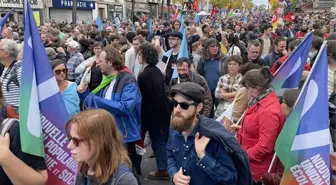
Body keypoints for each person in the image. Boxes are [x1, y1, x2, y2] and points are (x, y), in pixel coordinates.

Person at [77, 47, 142, 175]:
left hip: (124, 136)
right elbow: (94, 105)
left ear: (110, 62)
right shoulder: (107, 80)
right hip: (110, 134)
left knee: (125, 173)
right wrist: (83, 94)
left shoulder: (127, 79)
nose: (97, 63)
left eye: (100, 61)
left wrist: (93, 98)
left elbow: (125, 107)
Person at [167, 82, 240, 185]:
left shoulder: (212, 136)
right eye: (175, 104)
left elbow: (231, 179)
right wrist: (174, 175)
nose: (177, 110)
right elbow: (170, 156)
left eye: (184, 105)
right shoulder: (175, 126)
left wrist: (203, 156)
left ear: (199, 107)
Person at [231, 67, 286, 184]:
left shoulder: (268, 111)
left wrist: (243, 155)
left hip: (256, 170)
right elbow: (258, 129)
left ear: (256, 89)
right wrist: (242, 130)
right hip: (250, 164)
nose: (245, 90)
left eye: (247, 88)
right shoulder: (260, 101)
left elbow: (265, 146)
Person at [66, 109, 138, 185]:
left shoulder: (123, 180)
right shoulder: (83, 166)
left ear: (98, 141)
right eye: (70, 138)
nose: (69, 146)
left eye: (76, 140)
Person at [137, 43, 170, 180]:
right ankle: (163, 168)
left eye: (139, 54)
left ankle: (137, 167)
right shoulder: (156, 71)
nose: (138, 57)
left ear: (144, 56)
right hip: (160, 112)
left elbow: (142, 97)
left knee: (141, 141)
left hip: (149, 113)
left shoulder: (144, 75)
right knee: (158, 140)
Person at [261, 89, 300, 185]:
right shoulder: (292, 124)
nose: (280, 104)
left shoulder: (292, 134)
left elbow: (284, 177)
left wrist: (266, 177)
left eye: (282, 101)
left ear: (291, 107)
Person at [197, 38, 227, 117]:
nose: (215, 48)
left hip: (220, 91)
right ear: (207, 48)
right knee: (207, 114)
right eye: (212, 46)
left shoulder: (224, 59)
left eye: (216, 46)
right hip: (207, 91)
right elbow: (199, 74)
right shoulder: (203, 60)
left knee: (221, 114)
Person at [0, 39, 21, 111]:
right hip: (8, 112)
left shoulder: (19, 69)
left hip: (19, 115)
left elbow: (29, 95)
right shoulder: (6, 67)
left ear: (6, 54)